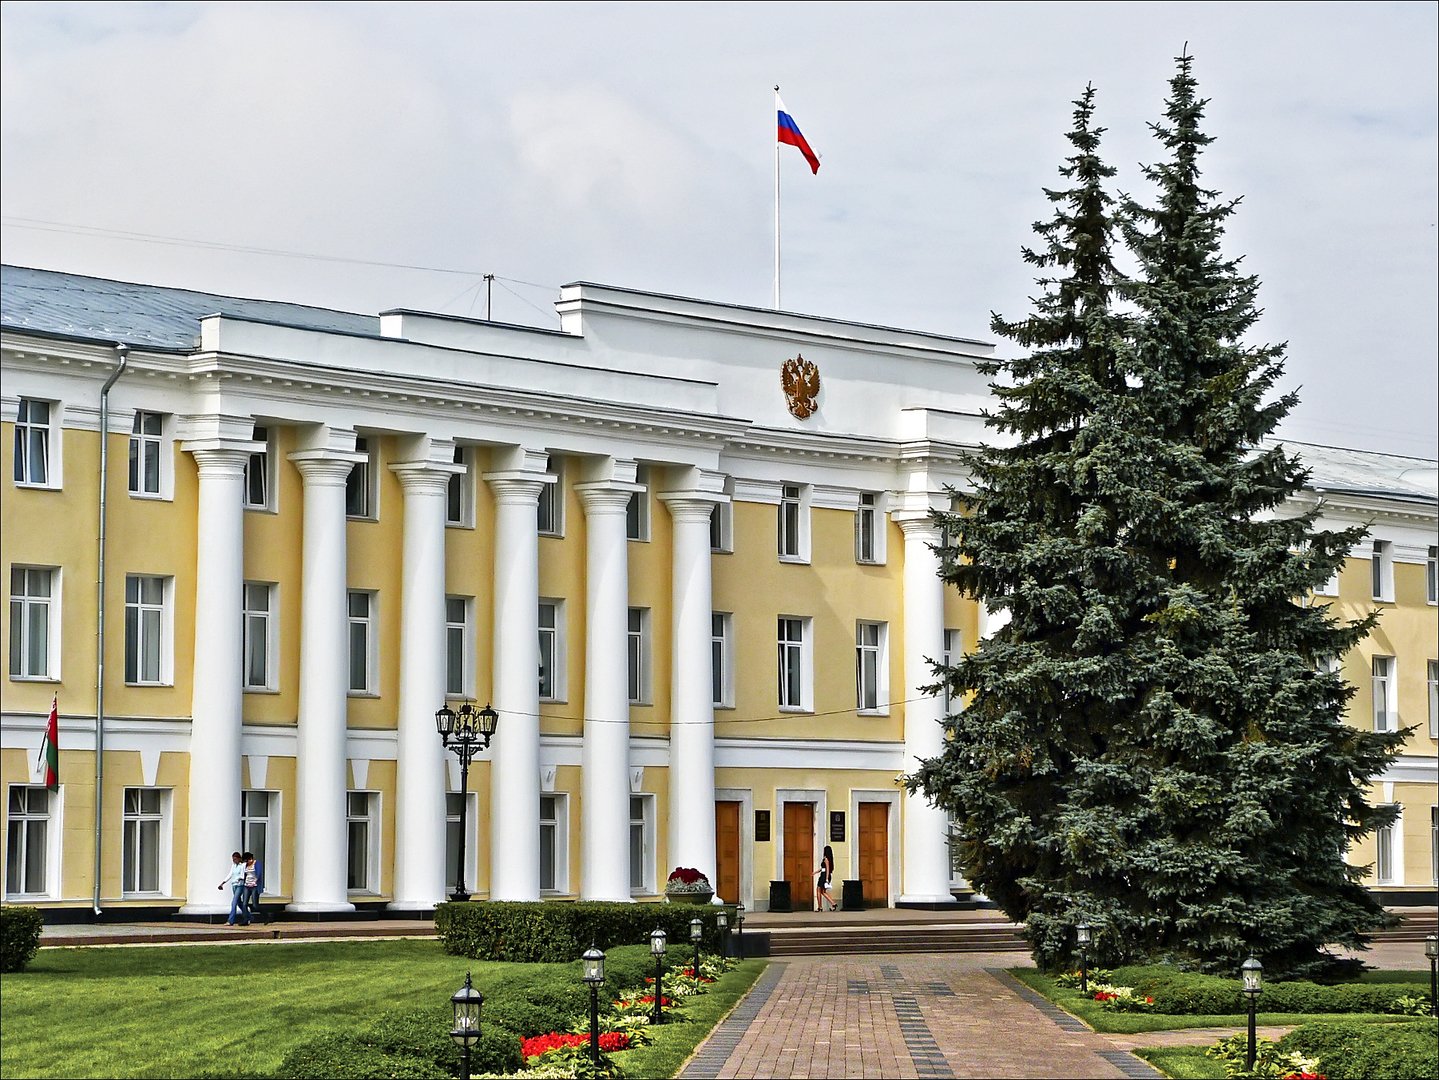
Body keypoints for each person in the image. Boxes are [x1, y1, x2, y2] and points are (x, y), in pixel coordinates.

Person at [217, 851, 245, 925]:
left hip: (240, 885)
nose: (234, 861)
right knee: (239, 903)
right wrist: (223, 883)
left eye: (235, 859)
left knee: (234, 902)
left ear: (239, 858)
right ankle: (248, 916)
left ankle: (230, 920)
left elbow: (242, 876)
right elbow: (230, 874)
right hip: (234, 885)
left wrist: (239, 879)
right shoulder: (233, 866)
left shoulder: (242, 865)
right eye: (233, 859)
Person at [240, 851, 265, 925]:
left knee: (255, 905)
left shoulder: (257, 864)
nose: (247, 862)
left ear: (251, 859)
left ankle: (266, 915)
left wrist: (255, 881)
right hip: (247, 886)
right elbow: (244, 874)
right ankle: (245, 919)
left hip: (254, 886)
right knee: (244, 904)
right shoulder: (245, 865)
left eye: (247, 860)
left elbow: (259, 874)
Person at [815, 844, 837, 912]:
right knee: (822, 891)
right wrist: (816, 872)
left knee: (818, 890)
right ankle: (833, 903)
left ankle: (820, 907)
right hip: (825, 875)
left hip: (824, 876)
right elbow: (823, 868)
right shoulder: (829, 859)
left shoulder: (826, 859)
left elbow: (827, 869)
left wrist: (826, 879)